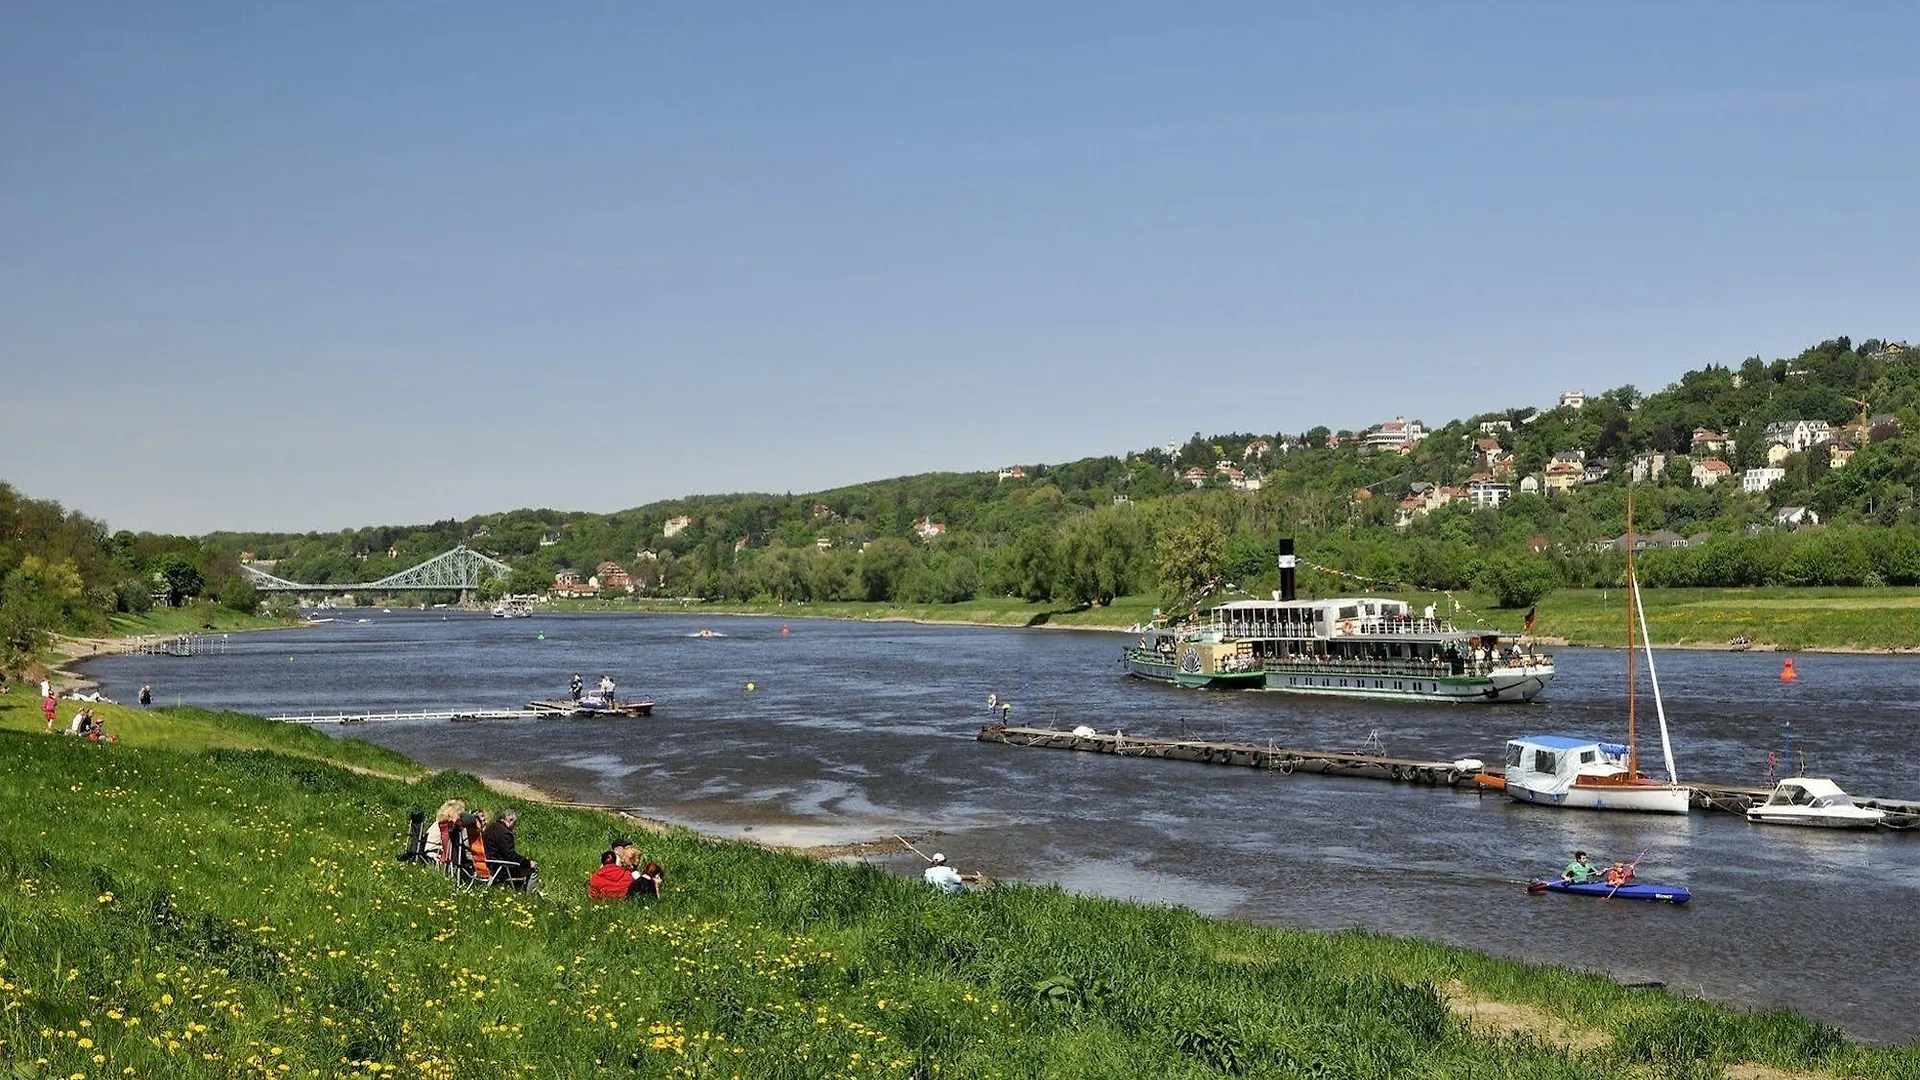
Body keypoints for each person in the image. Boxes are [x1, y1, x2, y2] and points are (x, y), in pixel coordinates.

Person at [482, 809, 537, 890]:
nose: (513, 827)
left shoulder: (489, 828)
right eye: (514, 824)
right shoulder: (505, 833)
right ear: (510, 820)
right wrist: (527, 862)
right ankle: (531, 896)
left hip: (490, 864)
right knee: (533, 868)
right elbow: (510, 856)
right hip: (501, 868)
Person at [426, 799, 465, 866]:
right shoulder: (445, 826)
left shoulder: (440, 823)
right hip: (435, 857)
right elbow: (447, 846)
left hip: (429, 854)